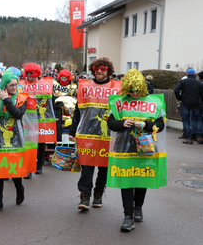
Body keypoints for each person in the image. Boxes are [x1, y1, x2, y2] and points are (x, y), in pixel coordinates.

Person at [107, 69, 166, 232]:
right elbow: (109, 123)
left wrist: (146, 125)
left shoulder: (153, 102)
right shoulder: (118, 102)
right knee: (126, 181)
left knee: (142, 178)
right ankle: (128, 216)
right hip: (123, 149)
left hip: (146, 147)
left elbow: (160, 125)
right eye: (130, 90)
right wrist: (122, 123)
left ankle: (138, 207)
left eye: (137, 90)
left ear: (142, 87)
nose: (133, 94)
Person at [69, 57, 121, 210]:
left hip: (108, 135)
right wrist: (73, 130)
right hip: (87, 135)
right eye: (97, 68)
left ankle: (98, 193)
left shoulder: (117, 87)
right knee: (86, 167)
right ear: (93, 70)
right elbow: (78, 110)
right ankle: (85, 196)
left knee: (104, 168)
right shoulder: (85, 87)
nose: (99, 71)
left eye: (103, 68)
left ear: (108, 70)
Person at [0, 73, 30, 213]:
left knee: (14, 170)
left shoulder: (21, 98)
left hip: (15, 140)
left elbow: (18, 114)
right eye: (11, 85)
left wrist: (7, 99)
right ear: (5, 85)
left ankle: (19, 188)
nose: (15, 87)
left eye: (16, 84)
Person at [20, 63, 56, 174]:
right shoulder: (22, 84)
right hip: (26, 117)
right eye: (27, 73)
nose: (29, 75)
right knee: (27, 141)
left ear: (37, 73)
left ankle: (39, 164)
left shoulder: (45, 84)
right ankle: (27, 164)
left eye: (31, 73)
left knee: (40, 142)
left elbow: (50, 102)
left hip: (40, 117)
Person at [174, 68, 203, 144]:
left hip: (185, 103)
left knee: (186, 120)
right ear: (194, 75)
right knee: (198, 120)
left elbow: (176, 90)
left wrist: (180, 98)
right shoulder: (199, 83)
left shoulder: (183, 82)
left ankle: (188, 138)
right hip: (196, 103)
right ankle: (199, 137)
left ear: (187, 75)